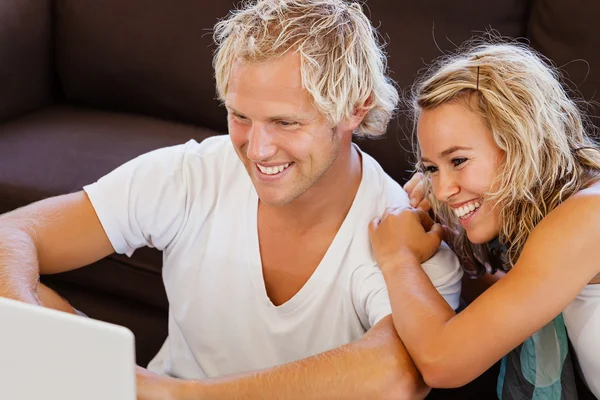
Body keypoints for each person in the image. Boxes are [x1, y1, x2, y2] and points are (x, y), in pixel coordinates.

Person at [0, 0, 464, 399]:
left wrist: (180, 396)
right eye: (240, 116)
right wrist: (83, 357)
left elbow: (396, 376)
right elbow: (12, 234)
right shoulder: (191, 174)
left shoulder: (405, 236)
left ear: (355, 109)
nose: (257, 150)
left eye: (285, 123)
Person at [369, 40, 600, 399]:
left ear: (521, 141)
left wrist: (398, 259)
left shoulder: (588, 215)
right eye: (431, 169)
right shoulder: (567, 217)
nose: (442, 190)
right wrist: (443, 239)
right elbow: (512, 308)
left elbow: (443, 362)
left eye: (458, 160)